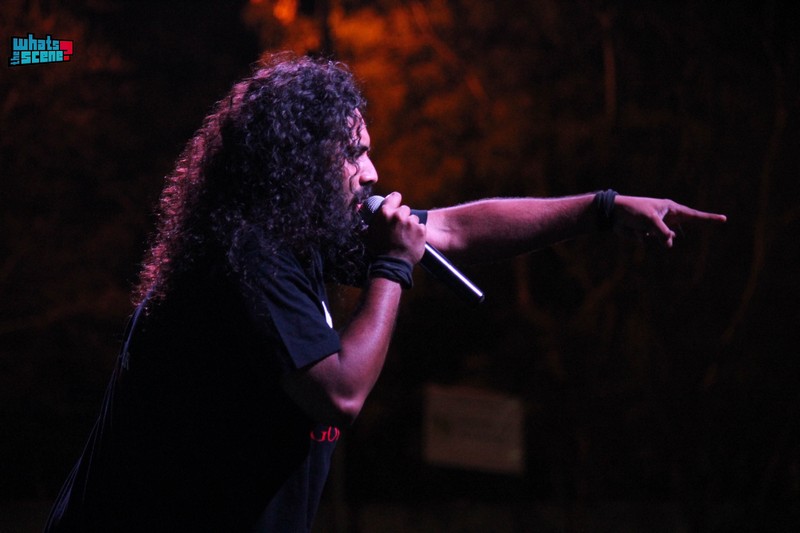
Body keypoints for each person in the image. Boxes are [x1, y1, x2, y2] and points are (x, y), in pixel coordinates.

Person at [45, 53, 726, 532]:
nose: (372, 170)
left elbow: (452, 229)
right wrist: (393, 267)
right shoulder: (248, 256)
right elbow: (339, 394)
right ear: (299, 160)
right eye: (354, 152)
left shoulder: (298, 234)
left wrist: (602, 208)